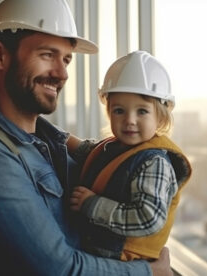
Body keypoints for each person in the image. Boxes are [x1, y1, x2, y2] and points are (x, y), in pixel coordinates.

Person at [0, 0, 172, 275]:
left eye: (65, 59)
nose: (62, 74)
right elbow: (59, 268)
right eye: (47, 55)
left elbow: (112, 162)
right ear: (0, 55)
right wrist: (150, 272)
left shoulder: (50, 142)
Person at [69, 51, 192, 261]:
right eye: (119, 111)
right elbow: (91, 153)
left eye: (142, 111)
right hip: (101, 254)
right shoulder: (117, 146)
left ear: (160, 117)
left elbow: (147, 218)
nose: (130, 120)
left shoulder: (155, 163)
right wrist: (55, 135)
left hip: (125, 260)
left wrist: (93, 205)